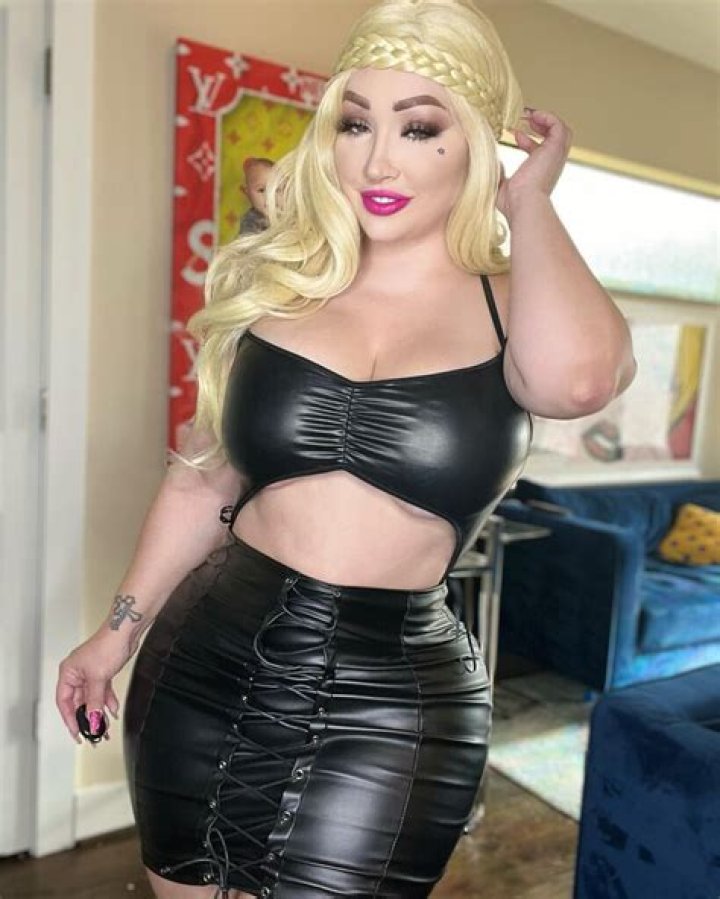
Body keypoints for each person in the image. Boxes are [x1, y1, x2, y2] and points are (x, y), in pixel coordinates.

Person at [56, 0, 636, 896]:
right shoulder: (284, 282)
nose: (377, 161)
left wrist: (529, 200)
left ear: (476, 144)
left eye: (420, 128)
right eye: (355, 123)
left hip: (390, 707)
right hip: (204, 661)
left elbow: (582, 383)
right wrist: (114, 634)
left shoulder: (512, 303)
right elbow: (202, 480)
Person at [238, 157, 274, 236]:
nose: (270, 196)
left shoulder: (289, 214)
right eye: (261, 190)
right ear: (247, 193)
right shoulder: (250, 222)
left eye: (277, 190)